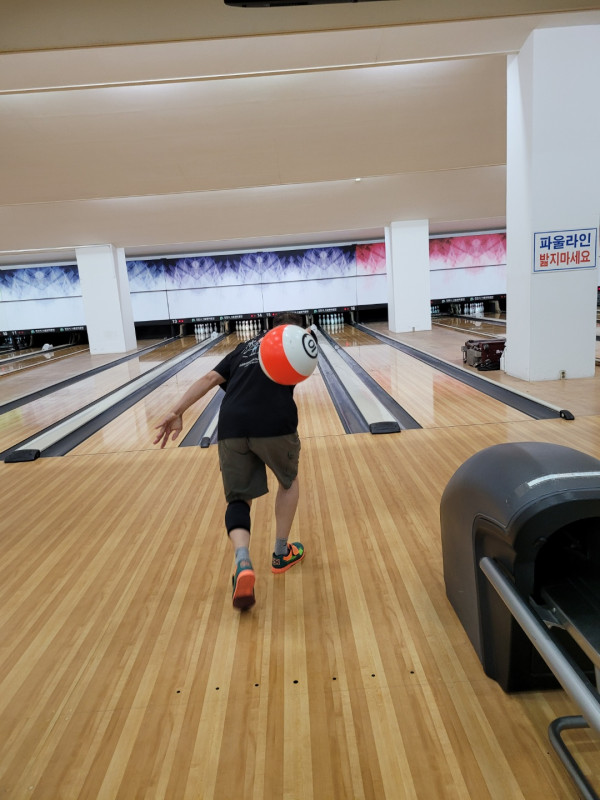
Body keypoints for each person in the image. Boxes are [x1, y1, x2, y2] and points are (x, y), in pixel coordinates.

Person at [153, 312, 312, 610]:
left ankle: (242, 561)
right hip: (275, 423)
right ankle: (281, 553)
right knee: (288, 482)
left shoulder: (244, 347)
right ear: (298, 332)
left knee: (238, 499)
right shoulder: (299, 345)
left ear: (270, 329)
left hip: (231, 425)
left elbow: (209, 378)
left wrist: (177, 410)